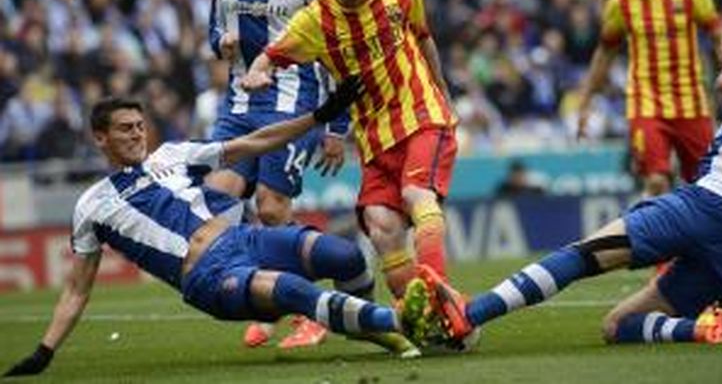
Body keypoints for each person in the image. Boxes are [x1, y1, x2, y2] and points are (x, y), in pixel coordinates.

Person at [3, 82, 429, 378]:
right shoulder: (92, 204)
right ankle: (396, 323)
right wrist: (44, 352)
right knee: (290, 290)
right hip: (206, 276)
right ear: (100, 138)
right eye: (124, 129)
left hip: (243, 239)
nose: (136, 135)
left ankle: (366, 327)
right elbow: (77, 289)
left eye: (138, 126)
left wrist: (319, 117)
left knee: (345, 256)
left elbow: (253, 144)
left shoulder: (173, 154)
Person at [412, 28, 722, 348]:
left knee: (579, 256)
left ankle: (470, 314)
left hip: (703, 207)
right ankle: (700, 328)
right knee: (618, 326)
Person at [242, 0, 458, 302]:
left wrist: (443, 93)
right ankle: (423, 315)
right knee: (381, 225)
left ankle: (442, 297)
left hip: (422, 114)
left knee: (414, 193)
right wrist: (256, 74)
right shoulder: (315, 21)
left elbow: (423, 38)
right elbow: (269, 57)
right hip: (374, 138)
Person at [207, 0, 348, 348]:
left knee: (270, 208)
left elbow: (338, 50)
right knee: (216, 201)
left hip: (292, 105)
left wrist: (337, 126)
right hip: (238, 105)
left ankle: (313, 308)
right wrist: (221, 44)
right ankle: (267, 299)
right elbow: (214, 28)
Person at [577, 0, 722, 197]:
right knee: (656, 180)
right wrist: (585, 101)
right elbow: (605, 52)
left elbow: (717, 34)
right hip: (646, 104)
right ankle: (658, 238)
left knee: (705, 185)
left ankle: (692, 238)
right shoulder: (621, 2)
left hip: (691, 103)